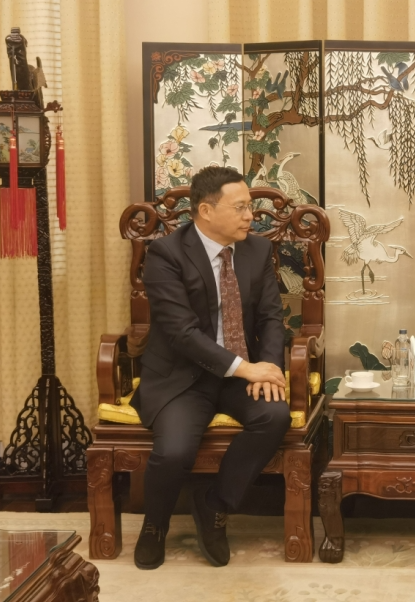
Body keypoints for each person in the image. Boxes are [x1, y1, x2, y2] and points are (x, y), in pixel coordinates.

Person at [131, 166, 292, 570]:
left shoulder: (257, 250)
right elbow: (182, 333)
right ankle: (154, 525)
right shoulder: (166, 254)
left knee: (274, 416)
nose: (250, 216)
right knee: (174, 451)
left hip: (241, 372)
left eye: (250, 207)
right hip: (182, 376)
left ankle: (215, 505)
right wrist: (245, 369)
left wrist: (268, 366)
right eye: (240, 208)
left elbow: (272, 318)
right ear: (205, 210)